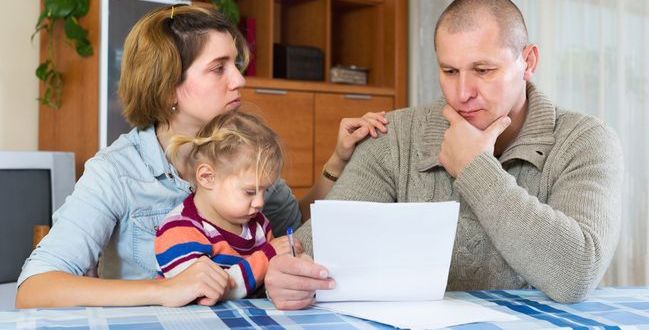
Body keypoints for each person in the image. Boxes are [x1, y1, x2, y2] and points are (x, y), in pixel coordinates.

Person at [16, 4, 387, 308]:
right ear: (168, 88)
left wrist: (338, 162)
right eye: (218, 68)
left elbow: (295, 224)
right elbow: (35, 288)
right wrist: (163, 291)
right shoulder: (117, 171)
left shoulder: (242, 146)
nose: (239, 80)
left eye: (236, 65)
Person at [265, 0, 623, 309]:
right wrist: (286, 274)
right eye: (449, 71)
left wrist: (474, 169)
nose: (462, 92)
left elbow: (576, 274)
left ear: (528, 61)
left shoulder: (586, 140)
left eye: (483, 70)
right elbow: (314, 252)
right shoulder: (392, 136)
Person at [155, 110, 302, 301]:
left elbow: (271, 278)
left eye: (264, 191)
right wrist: (269, 256)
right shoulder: (178, 230)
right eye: (250, 192)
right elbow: (205, 293)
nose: (260, 202)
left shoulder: (258, 224)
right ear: (207, 177)